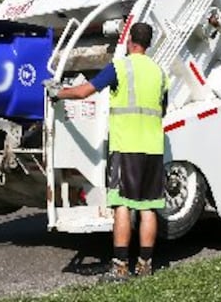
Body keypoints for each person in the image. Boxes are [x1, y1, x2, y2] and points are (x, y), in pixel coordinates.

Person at [47, 22, 168, 281]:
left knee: (122, 205)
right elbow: (162, 109)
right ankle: (145, 266)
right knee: (148, 208)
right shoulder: (160, 73)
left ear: (130, 40)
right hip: (153, 149)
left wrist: (58, 93)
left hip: (126, 148)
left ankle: (120, 267)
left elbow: (85, 91)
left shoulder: (120, 67)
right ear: (148, 44)